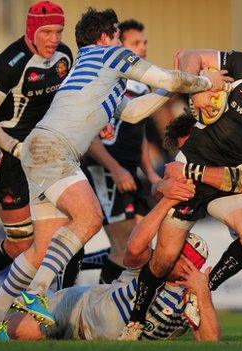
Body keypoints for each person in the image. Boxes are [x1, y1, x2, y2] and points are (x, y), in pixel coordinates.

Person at [0, 7, 231, 340]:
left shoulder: (90, 68)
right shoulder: (111, 55)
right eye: (119, 34)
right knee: (90, 218)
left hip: (39, 149)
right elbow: (170, 78)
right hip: (54, 149)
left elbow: (134, 112)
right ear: (107, 36)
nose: (123, 41)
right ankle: (35, 292)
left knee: (41, 247)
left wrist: (169, 92)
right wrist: (206, 82)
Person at [120, 48, 242, 339]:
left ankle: (202, 289)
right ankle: (136, 320)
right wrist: (197, 87)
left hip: (227, 181)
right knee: (164, 258)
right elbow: (190, 54)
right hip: (189, 170)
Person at [0, 230, 220, 341]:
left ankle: (55, 276)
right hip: (73, 309)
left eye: (175, 250)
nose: (166, 250)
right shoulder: (147, 271)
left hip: (85, 332)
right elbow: (134, 247)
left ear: (188, 262)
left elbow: (211, 342)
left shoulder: (194, 296)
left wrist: (203, 293)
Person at [0, 0, 74, 315]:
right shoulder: (8, 65)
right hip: (7, 156)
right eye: (47, 31)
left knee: (60, 231)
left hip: (43, 154)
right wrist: (15, 148)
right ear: (31, 30)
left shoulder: (64, 56)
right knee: (21, 243)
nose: (53, 38)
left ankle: (41, 298)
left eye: (58, 31)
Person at [81, 19, 162, 284]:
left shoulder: (142, 86)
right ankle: (101, 309)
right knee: (126, 247)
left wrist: (150, 174)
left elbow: (138, 137)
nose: (143, 49)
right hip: (106, 172)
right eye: (135, 43)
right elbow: (89, 136)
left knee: (140, 244)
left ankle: (80, 263)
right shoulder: (106, 83)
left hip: (129, 173)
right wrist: (115, 169)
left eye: (145, 43)